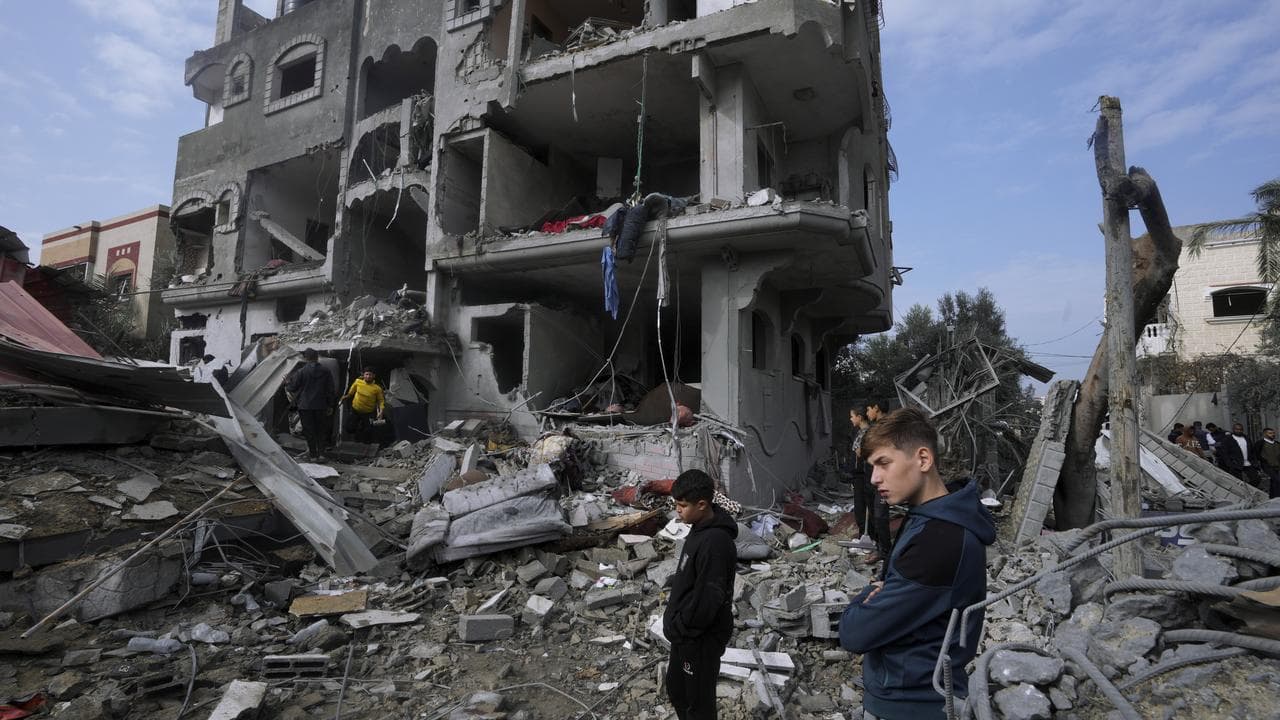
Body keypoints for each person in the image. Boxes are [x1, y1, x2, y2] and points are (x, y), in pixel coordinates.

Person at [838, 408, 996, 719]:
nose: (875, 478)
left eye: (884, 463)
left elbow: (855, 634)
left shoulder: (940, 539)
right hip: (908, 693)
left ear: (923, 459)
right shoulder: (927, 517)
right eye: (871, 467)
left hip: (914, 703)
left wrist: (867, 593)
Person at [663, 469, 738, 720]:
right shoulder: (699, 527)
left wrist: (681, 627)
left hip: (700, 638)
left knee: (698, 705)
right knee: (677, 690)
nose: (677, 510)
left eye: (683, 505)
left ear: (702, 505)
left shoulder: (716, 542)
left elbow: (709, 598)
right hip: (685, 636)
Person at [285, 348, 335, 461]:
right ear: (317, 357)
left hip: (305, 406)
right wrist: (330, 405)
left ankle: (313, 456)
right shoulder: (326, 371)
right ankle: (321, 454)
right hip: (321, 405)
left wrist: (287, 382)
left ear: (305, 358)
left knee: (309, 431)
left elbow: (292, 388)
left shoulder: (301, 372)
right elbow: (330, 389)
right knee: (321, 430)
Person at [339, 369, 386, 443]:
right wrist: (344, 397)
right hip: (355, 410)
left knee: (368, 432)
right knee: (349, 428)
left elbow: (381, 401)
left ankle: (363, 440)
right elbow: (350, 393)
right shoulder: (358, 382)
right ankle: (358, 430)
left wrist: (381, 412)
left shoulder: (377, 388)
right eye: (366, 374)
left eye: (370, 375)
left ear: (374, 376)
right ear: (363, 375)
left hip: (368, 413)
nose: (368, 376)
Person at [1230, 423, 1260, 487]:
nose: (1239, 431)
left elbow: (1252, 451)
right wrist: (1230, 462)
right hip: (1236, 464)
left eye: (1241, 429)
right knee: (1239, 482)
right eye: (1237, 429)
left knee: (1256, 479)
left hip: (1248, 463)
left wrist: (1255, 462)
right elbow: (1225, 452)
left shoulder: (1246, 438)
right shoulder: (1228, 439)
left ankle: (1250, 489)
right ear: (1233, 429)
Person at [1255, 428, 1280, 499]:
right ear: (1265, 434)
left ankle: (1272, 497)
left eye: (1273, 433)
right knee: (1277, 480)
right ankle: (1277, 498)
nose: (1273, 434)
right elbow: (1256, 455)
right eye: (1270, 433)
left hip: (1277, 466)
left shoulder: (1277, 443)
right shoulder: (1260, 443)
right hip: (1267, 466)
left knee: (1273, 482)